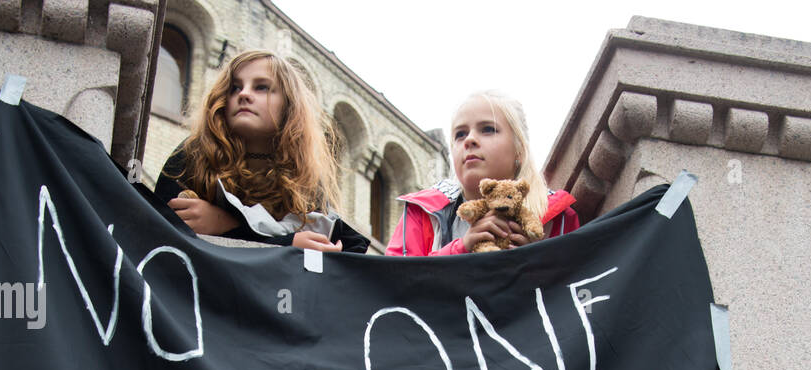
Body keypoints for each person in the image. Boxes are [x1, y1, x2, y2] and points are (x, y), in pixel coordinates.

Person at [154, 49, 369, 253]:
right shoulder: (192, 156)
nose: (244, 94)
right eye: (235, 87)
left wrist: (229, 225)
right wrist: (284, 244)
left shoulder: (309, 187)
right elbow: (156, 236)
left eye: (262, 87)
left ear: (288, 105)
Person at [385, 91, 578, 256]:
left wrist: (532, 260)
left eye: (488, 129)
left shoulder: (560, 218)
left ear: (519, 148)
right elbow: (391, 284)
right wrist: (461, 249)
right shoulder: (422, 212)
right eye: (460, 134)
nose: (469, 140)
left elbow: (579, 286)